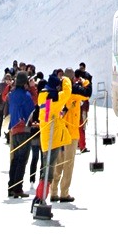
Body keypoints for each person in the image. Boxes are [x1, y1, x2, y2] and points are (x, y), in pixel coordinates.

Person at [31, 72, 72, 213]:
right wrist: (66, 79)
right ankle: (40, 198)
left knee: (46, 170)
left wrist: (58, 115)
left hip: (47, 138)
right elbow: (67, 93)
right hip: (53, 140)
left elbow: (49, 115)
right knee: (48, 172)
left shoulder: (44, 97)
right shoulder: (54, 98)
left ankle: (39, 197)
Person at [50, 68, 90, 203]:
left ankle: (53, 191)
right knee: (68, 164)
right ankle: (64, 192)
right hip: (71, 134)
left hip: (59, 132)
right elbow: (88, 94)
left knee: (58, 162)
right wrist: (84, 82)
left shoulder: (58, 93)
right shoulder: (74, 93)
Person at [7, 71, 35, 198]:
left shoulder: (12, 95)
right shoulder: (26, 95)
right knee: (22, 159)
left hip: (13, 129)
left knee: (15, 159)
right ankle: (18, 188)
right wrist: (33, 88)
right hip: (24, 129)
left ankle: (11, 186)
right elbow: (32, 108)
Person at [76, 62, 92, 153]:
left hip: (79, 108)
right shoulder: (85, 81)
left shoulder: (47, 98)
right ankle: (82, 145)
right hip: (81, 108)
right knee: (82, 127)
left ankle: (78, 143)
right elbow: (87, 94)